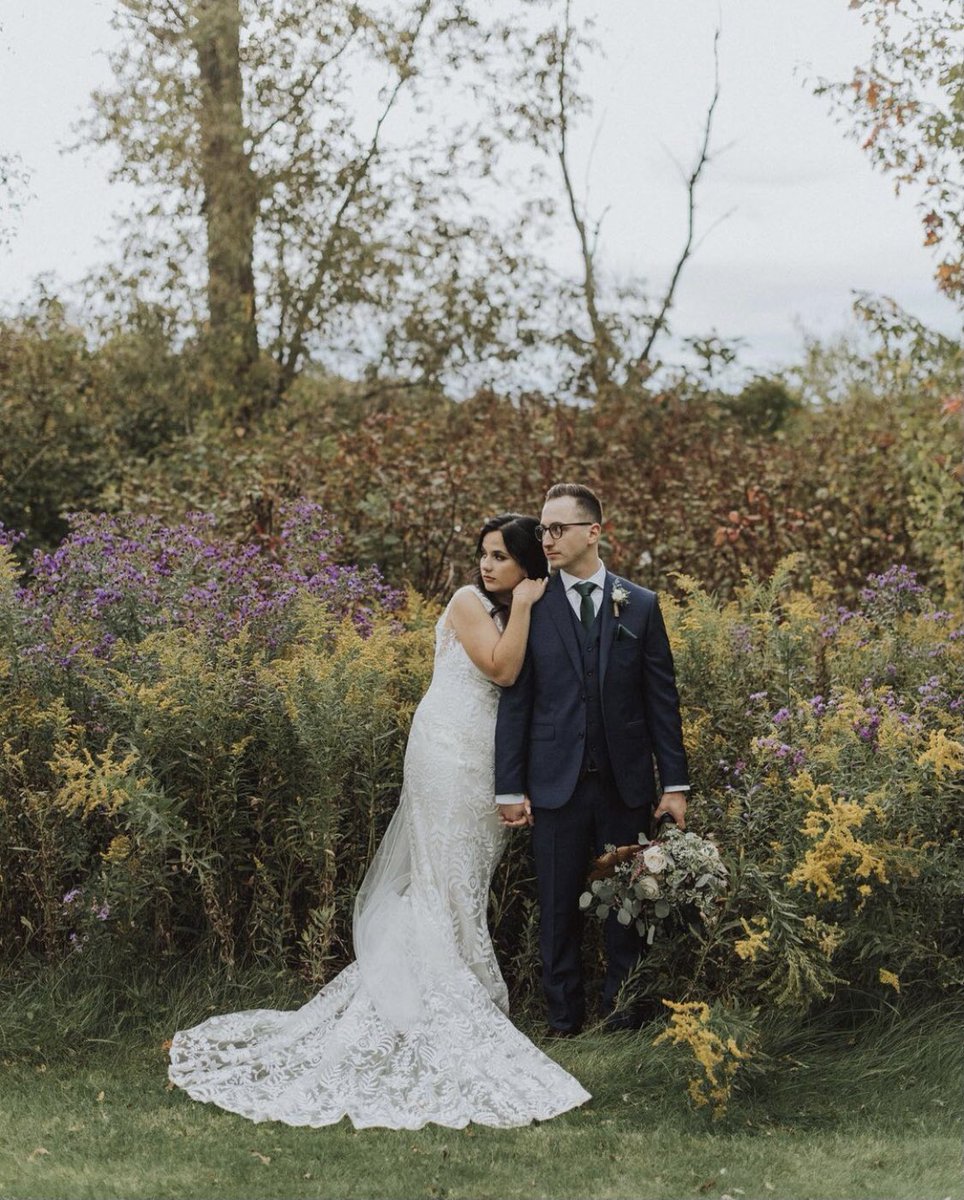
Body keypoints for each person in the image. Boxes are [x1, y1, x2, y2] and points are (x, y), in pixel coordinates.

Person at [168, 513, 590, 1129]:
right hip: (447, 750)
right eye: (485, 554)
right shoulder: (471, 602)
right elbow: (501, 670)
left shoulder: (517, 607)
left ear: (527, 563)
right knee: (440, 874)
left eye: (500, 556)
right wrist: (526, 601)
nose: (487, 565)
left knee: (464, 876)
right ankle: (432, 1000)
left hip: (489, 764)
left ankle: (451, 987)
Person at [495, 483, 689, 1036]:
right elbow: (517, 701)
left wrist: (674, 784)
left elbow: (661, 700)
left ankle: (625, 1016)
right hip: (553, 784)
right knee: (556, 907)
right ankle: (562, 1021)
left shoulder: (641, 604)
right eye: (542, 529)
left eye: (558, 529)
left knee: (629, 902)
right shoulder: (531, 603)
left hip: (625, 785)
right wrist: (509, 787)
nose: (547, 539)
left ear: (593, 532)